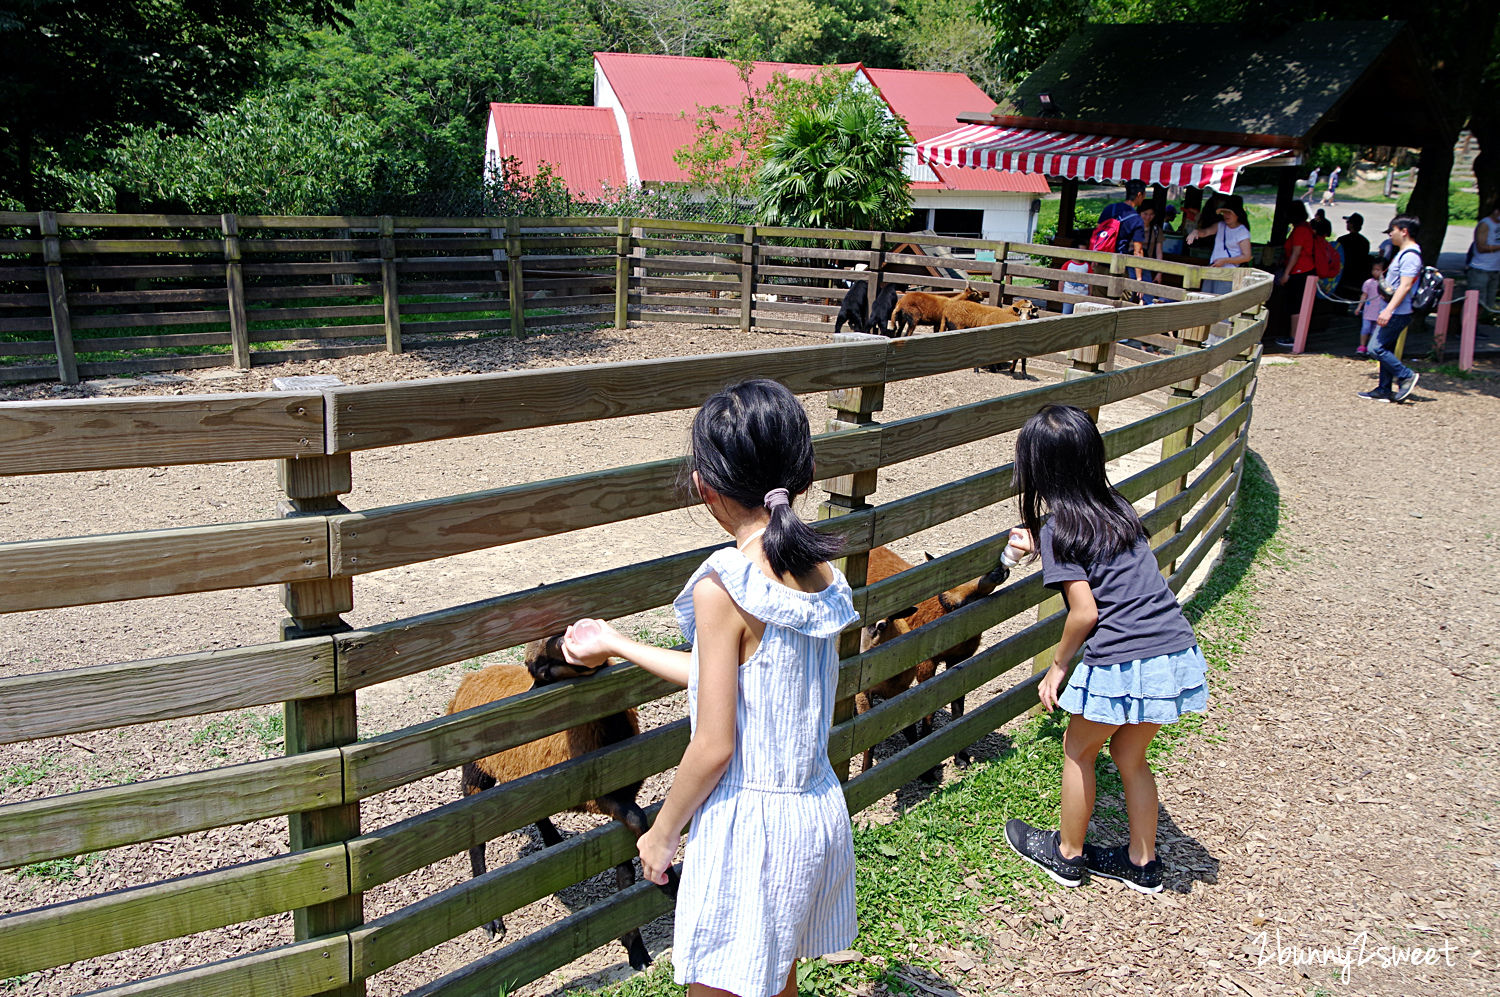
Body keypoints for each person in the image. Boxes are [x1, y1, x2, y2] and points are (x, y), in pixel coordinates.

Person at [561, 378, 858, 997]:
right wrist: (619, 644)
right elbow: (740, 679)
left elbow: (715, 743)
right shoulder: (817, 567)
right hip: (811, 812)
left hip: (750, 833)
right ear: (799, 474)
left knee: (716, 983)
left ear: (704, 486)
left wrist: (662, 830)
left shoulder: (722, 585)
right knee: (776, 976)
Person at [1001, 404, 1208, 895]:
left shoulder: (1058, 534)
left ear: (1035, 469)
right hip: (1172, 648)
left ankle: (1067, 855)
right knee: (1131, 757)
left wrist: (1057, 667)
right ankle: (1142, 862)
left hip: (1123, 656)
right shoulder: (1118, 507)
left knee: (1078, 750)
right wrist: (1043, 538)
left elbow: (1085, 613)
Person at [1360, 215, 1422, 403]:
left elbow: (1405, 286)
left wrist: (1388, 311)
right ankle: (1384, 389)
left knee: (1375, 348)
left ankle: (1406, 376)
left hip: (1397, 312)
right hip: (1394, 310)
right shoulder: (1403, 253)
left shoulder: (1410, 255)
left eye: (1392, 231)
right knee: (1385, 348)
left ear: (1404, 231)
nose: (1390, 235)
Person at [1268, 201, 1316, 347]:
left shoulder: (1301, 230)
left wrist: (1286, 273)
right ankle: (1294, 336)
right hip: (1302, 270)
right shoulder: (1304, 228)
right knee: (1296, 304)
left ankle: (1294, 338)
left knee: (1296, 305)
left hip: (1300, 271)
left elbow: (1296, 253)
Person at [1185, 193, 1252, 294]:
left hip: (1228, 274)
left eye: (1229, 212)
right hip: (1212, 269)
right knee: (1205, 299)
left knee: (1220, 302)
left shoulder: (1242, 232)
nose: (1226, 215)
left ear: (1237, 213)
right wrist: (1195, 232)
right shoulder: (1220, 225)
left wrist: (1225, 261)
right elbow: (1206, 232)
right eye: (1224, 212)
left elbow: (1246, 256)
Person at [1098, 179, 1148, 278]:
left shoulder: (1110, 208)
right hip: (1119, 265)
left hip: (1101, 262)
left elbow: (1097, 233)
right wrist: (1139, 277)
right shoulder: (1136, 219)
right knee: (1122, 293)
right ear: (1139, 194)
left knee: (1097, 293)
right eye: (1144, 194)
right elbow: (1137, 251)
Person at [1466, 201, 1500, 319]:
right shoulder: (1486, 224)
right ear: (1496, 211)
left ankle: (1476, 328)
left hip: (1494, 269)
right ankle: (1465, 330)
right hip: (1480, 269)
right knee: (1476, 302)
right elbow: (1481, 247)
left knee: (1488, 304)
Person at [1354, 257, 1385, 355]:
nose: (1375, 272)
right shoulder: (1368, 283)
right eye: (1374, 269)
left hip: (1379, 311)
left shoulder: (1386, 284)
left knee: (1374, 330)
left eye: (1378, 270)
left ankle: (1370, 347)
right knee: (1365, 328)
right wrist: (1359, 307)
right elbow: (1364, 295)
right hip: (1368, 310)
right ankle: (1362, 345)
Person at [1054, 233, 1090, 314]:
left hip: (1082, 297)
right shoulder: (1068, 264)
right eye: (1080, 252)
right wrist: (1060, 293)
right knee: (1066, 314)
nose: (1082, 255)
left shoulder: (1087, 266)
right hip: (1068, 295)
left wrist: (1090, 294)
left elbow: (1091, 282)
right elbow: (1061, 280)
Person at [1337, 213, 1371, 290]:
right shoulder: (1365, 242)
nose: (1346, 224)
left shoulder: (1342, 240)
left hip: (1342, 276)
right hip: (1358, 277)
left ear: (1351, 225)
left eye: (1348, 222)